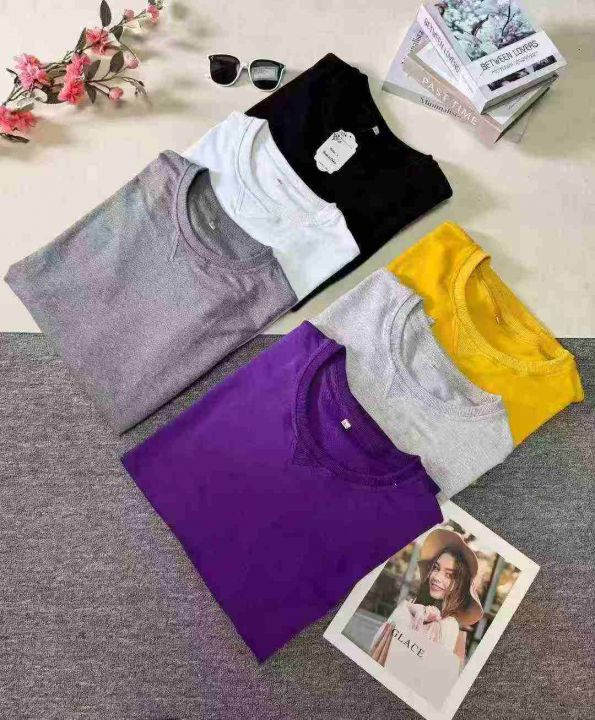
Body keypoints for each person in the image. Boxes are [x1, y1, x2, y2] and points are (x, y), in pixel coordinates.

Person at [370, 527, 483, 669]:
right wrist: (411, 608)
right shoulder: (415, 605)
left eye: (449, 575)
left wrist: (409, 611)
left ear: (460, 585)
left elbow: (418, 669)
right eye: (436, 568)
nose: (436, 577)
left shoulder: (449, 626)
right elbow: (377, 645)